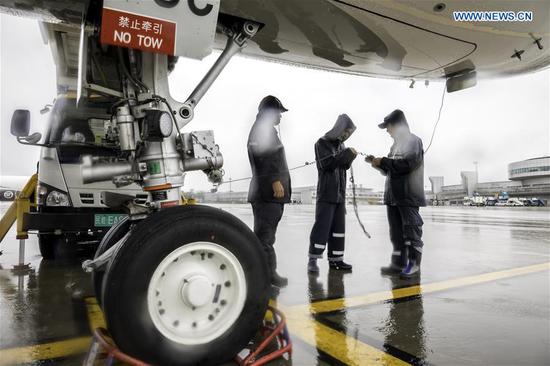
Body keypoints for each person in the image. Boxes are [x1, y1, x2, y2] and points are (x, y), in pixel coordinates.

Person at [367, 109, 426, 278]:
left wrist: (384, 161)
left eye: (389, 127)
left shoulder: (413, 141)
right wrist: (377, 163)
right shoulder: (395, 145)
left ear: (397, 125)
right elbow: (391, 169)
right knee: (396, 233)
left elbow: (408, 164)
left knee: (411, 231)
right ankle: (398, 264)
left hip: (408, 196)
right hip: (393, 197)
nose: (387, 131)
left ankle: (414, 265)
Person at [247, 95, 291, 287]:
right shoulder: (262, 130)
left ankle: (263, 274)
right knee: (264, 238)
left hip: (269, 194)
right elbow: (262, 156)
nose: (281, 117)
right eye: (278, 113)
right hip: (267, 193)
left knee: (265, 237)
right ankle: (266, 276)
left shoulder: (266, 130)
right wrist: (274, 180)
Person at [308, 114, 358, 273]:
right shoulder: (321, 143)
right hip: (327, 194)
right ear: (339, 128)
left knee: (338, 229)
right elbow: (326, 164)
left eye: (349, 133)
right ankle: (313, 260)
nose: (347, 135)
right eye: (346, 132)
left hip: (340, 195)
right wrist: (346, 155)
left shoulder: (342, 146)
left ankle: (336, 260)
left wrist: (350, 157)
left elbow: (343, 165)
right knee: (322, 228)